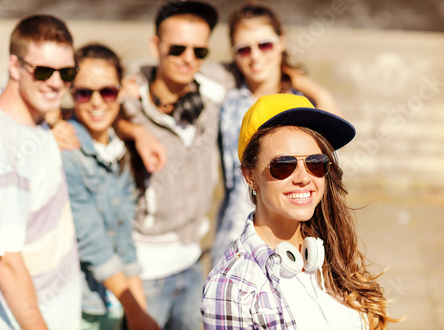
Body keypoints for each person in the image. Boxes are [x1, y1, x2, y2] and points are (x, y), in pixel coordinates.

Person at [202, 94, 399, 329]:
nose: (304, 177)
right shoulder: (231, 285)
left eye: (315, 163)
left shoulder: (330, 250)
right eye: (283, 165)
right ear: (250, 176)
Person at [0, 15, 81, 329]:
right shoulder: (5, 161)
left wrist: (51, 122)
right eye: (43, 71)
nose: (56, 83)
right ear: (14, 66)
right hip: (32, 317)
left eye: (67, 72)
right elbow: (5, 264)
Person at [212, 2, 344, 264]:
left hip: (292, 229)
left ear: (281, 42)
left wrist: (305, 83)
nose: (255, 56)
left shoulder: (299, 104)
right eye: (243, 49)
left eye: (265, 45)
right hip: (234, 228)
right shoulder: (227, 99)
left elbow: (333, 145)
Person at [121, 1, 226, 329]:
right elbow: (80, 105)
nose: (188, 59)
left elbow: (263, 65)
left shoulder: (213, 91)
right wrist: (134, 129)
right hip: (145, 269)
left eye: (200, 51)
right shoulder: (126, 96)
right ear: (156, 46)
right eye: (177, 48)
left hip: (195, 262)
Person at [61, 43, 159, 330]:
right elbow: (91, 241)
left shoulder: (121, 151)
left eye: (107, 91)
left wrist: (139, 310)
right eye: (83, 92)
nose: (96, 101)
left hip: (114, 305)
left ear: (120, 92)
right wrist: (137, 311)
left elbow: (123, 235)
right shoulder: (67, 153)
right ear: (71, 94)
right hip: (80, 305)